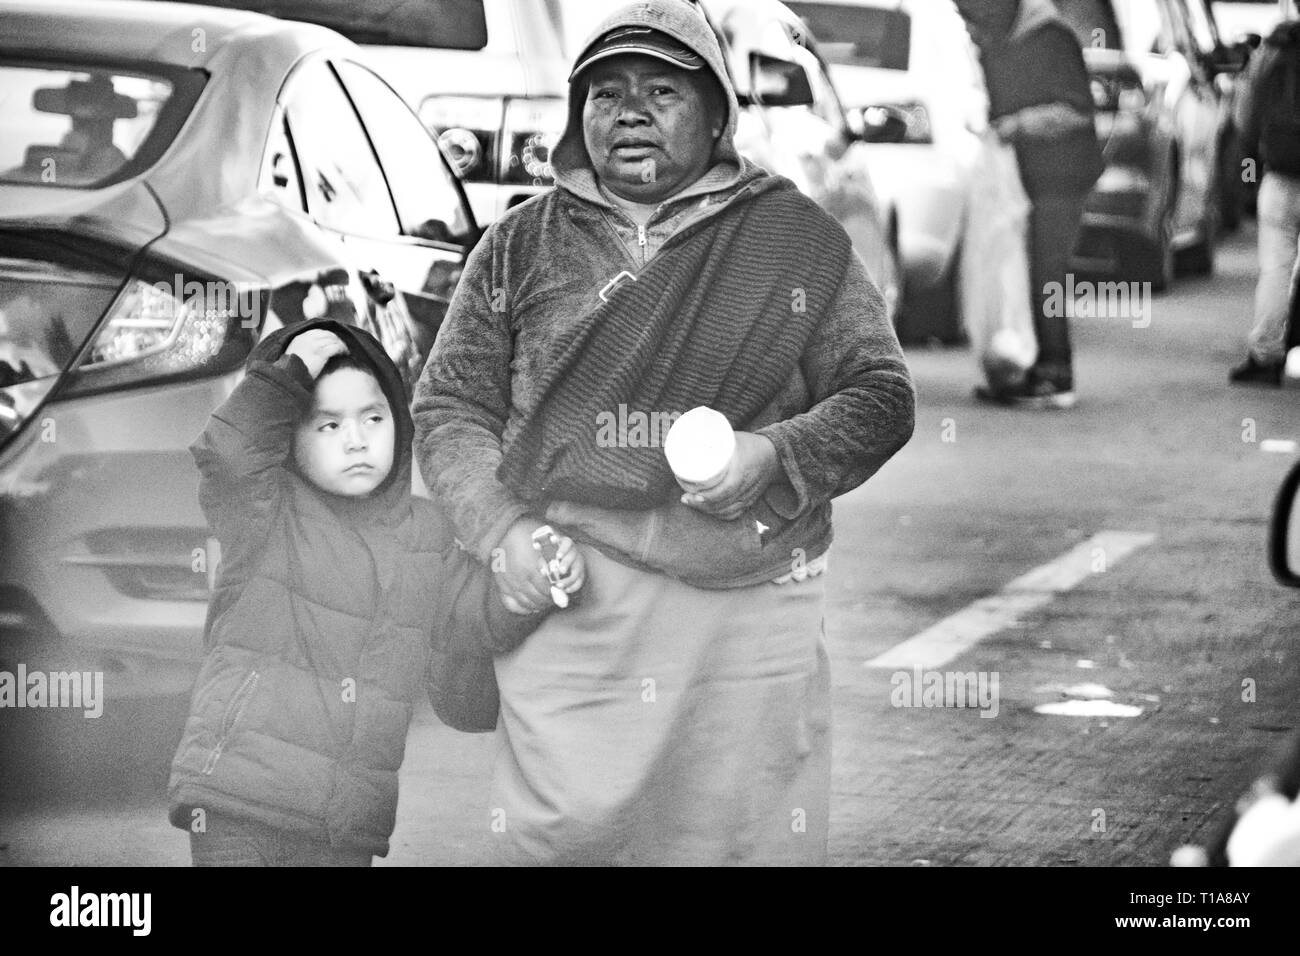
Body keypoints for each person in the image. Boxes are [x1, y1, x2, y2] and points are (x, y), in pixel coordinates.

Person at [412, 0, 914, 865]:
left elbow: (880, 396)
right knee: (562, 838)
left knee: (742, 840)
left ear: (716, 110)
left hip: (749, 609)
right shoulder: (518, 246)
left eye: (660, 89)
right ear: (578, 119)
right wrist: (504, 532)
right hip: (576, 605)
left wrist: (773, 454)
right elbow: (450, 407)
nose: (630, 110)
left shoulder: (790, 238)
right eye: (605, 93)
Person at [167, 319, 584, 866]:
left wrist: (529, 584)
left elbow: (468, 617)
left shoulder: (424, 534)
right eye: (328, 425)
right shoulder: (265, 514)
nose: (357, 439)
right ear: (290, 437)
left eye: (372, 417)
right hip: (241, 801)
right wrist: (286, 373)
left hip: (347, 821)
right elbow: (228, 454)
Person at [955, 0, 1104, 409]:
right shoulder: (998, 37)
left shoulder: (1049, 37)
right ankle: (1020, 368)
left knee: (1047, 272)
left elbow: (1075, 110)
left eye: (978, 17)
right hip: (1023, 177)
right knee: (1016, 273)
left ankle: (1056, 371)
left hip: (1062, 176)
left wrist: (1019, 125)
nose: (975, 26)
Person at [1230, 6, 1300, 387]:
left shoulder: (1273, 50)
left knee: (1276, 269)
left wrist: (1249, 163)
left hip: (1282, 172)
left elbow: (1248, 113)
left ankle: (1266, 356)